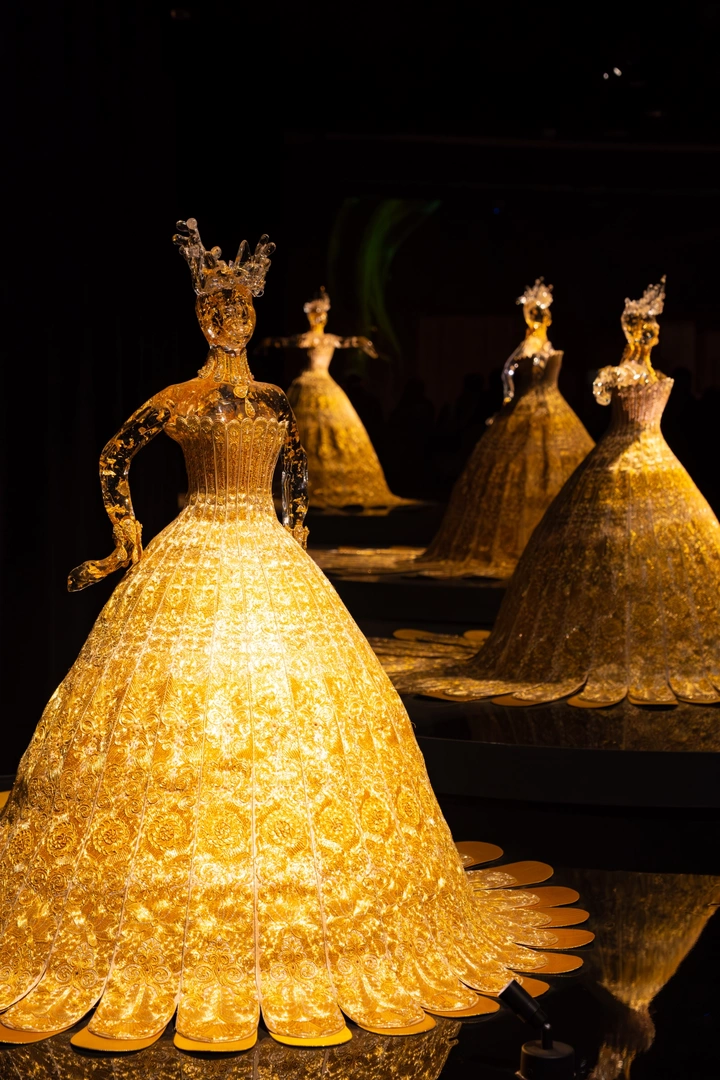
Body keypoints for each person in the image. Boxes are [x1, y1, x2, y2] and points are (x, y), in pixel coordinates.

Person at [0, 220, 585, 1053]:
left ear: (251, 311)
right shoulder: (181, 398)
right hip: (192, 547)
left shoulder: (274, 401)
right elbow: (113, 458)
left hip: (267, 554)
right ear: (201, 313)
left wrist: (296, 537)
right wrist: (125, 543)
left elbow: (299, 471)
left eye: (239, 307)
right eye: (216, 306)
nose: (229, 319)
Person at [262, 289, 409, 509]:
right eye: (314, 312)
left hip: (325, 383)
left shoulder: (329, 339)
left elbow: (346, 341)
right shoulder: (306, 338)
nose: (318, 317)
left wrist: (361, 342)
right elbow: (285, 342)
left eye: (321, 312)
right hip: (305, 385)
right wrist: (269, 343)